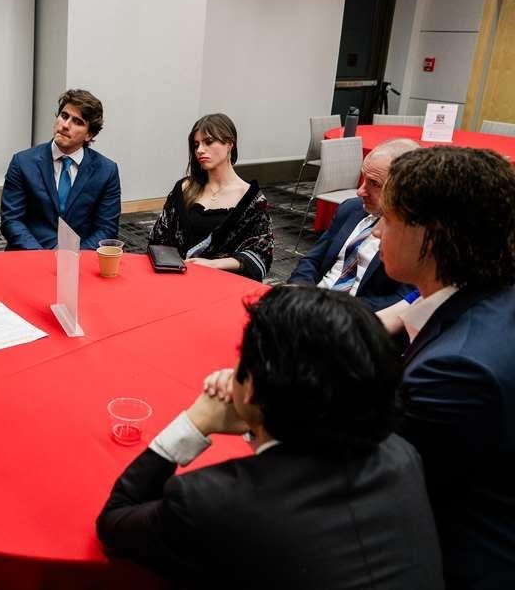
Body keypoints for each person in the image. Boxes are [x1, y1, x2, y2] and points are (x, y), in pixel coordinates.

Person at [97, 286, 443, 589]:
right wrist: (258, 420)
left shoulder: (208, 501)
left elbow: (115, 523)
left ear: (249, 387)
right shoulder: (401, 456)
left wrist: (194, 423)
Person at [372, 146, 515, 589]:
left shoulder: (456, 369)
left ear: (429, 237)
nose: (376, 232)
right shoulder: (495, 292)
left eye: (387, 219)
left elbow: (376, 480)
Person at [288, 138, 418, 309]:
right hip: (313, 300)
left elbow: (404, 299)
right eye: (363, 179)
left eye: (374, 183)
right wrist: (300, 290)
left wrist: (336, 309)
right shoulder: (351, 209)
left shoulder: (417, 234)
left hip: (358, 315)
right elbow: (313, 259)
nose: (360, 191)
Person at [148, 113, 272, 281]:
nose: (200, 150)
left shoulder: (251, 199)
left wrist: (214, 264)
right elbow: (158, 238)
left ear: (230, 144)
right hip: (175, 276)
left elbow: (262, 254)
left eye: (208, 142)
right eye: (196, 145)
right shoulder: (184, 188)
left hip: (222, 281)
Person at [0, 89, 121, 250]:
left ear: (89, 135)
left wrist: (73, 258)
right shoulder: (22, 162)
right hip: (31, 253)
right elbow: (11, 221)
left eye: (77, 122)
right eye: (64, 116)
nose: (65, 125)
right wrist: (41, 256)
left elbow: (106, 228)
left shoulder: (106, 171)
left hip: (81, 256)